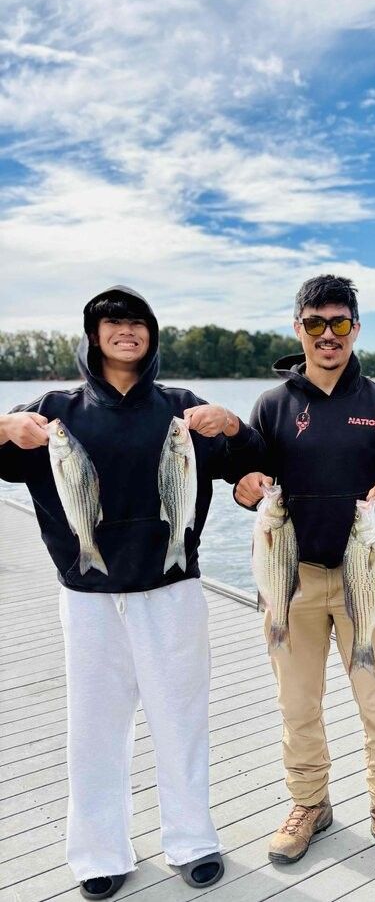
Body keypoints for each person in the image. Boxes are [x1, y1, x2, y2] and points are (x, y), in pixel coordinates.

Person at [0, 287, 264, 901]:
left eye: (137, 322)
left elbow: (253, 461)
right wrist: (6, 426)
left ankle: (193, 840)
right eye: (112, 322)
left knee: (182, 720)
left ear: (152, 335)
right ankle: (98, 852)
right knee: (94, 727)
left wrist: (231, 424)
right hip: (88, 596)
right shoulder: (51, 410)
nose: (126, 331)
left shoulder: (181, 409)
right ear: (93, 337)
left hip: (172, 589)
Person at [234, 274, 375, 873]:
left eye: (339, 323)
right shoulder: (273, 404)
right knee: (298, 703)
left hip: (364, 577)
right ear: (299, 330)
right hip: (291, 580)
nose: (327, 336)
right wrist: (244, 488)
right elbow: (252, 478)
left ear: (355, 328)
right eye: (315, 325)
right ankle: (309, 804)